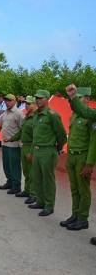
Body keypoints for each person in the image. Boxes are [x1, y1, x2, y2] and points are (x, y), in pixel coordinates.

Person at [59, 87, 96, 231]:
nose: (78, 100)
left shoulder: (91, 117)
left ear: (87, 99)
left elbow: (93, 141)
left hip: (83, 157)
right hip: (72, 156)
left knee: (83, 189)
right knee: (74, 188)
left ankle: (83, 218)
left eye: (80, 97)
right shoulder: (74, 116)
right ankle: (75, 214)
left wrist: (89, 163)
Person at [28, 90, 67, 217]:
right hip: (37, 150)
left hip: (48, 151)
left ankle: (49, 205)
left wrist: (57, 147)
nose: (38, 100)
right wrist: (32, 151)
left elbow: (61, 135)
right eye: (36, 98)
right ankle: (40, 201)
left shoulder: (52, 115)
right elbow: (35, 135)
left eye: (40, 98)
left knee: (48, 180)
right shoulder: (35, 115)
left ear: (47, 99)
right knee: (37, 178)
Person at [0, 94, 24, 194]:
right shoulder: (5, 113)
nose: (7, 102)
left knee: (14, 165)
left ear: (14, 101)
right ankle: (10, 181)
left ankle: (16, 185)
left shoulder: (19, 114)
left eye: (9, 100)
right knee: (6, 164)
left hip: (14, 145)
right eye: (6, 100)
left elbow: (23, 130)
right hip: (5, 144)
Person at [6, 96, 37, 203]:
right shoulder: (27, 116)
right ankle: (27, 190)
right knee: (26, 171)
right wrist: (11, 139)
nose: (27, 105)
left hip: (31, 146)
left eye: (29, 103)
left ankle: (34, 194)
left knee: (32, 172)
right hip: (24, 146)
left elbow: (36, 136)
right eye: (26, 103)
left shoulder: (35, 117)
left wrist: (32, 152)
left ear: (34, 104)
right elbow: (21, 132)